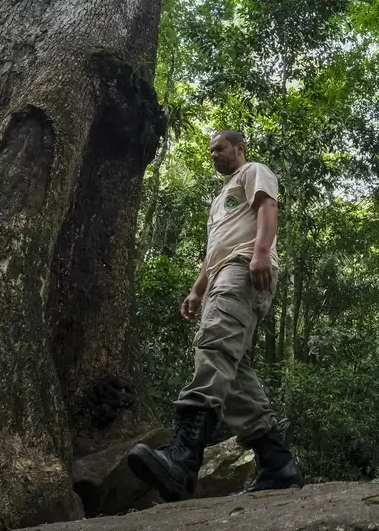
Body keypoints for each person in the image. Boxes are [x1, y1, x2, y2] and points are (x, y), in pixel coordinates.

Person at [128, 130, 305, 502]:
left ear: (239, 149)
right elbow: (214, 252)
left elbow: (267, 208)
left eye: (219, 148)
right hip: (222, 270)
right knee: (234, 369)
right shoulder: (217, 202)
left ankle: (183, 458)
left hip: (244, 267)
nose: (214, 155)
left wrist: (259, 252)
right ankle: (278, 464)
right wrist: (196, 289)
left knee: (215, 342)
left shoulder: (253, 171)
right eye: (210, 151)